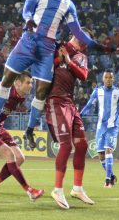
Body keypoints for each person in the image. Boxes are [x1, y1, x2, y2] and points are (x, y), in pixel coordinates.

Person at [0, 0, 110, 135]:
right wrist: (29, 19)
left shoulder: (68, 4)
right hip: (28, 41)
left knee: (41, 91)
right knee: (7, 79)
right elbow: (27, 9)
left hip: (47, 48)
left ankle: (30, 129)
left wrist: (94, 44)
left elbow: (76, 30)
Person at [41, 34, 95, 209]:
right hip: (55, 101)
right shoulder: (58, 47)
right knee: (66, 145)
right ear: (76, 35)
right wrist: (59, 58)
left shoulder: (80, 57)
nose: (84, 44)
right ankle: (57, 190)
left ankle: (77, 188)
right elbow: (44, 66)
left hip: (70, 103)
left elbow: (84, 76)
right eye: (83, 39)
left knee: (82, 145)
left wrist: (68, 61)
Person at [0, 71, 44, 202]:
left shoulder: (22, 97)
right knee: (10, 155)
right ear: (17, 83)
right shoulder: (3, 88)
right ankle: (30, 191)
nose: (31, 86)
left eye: (32, 83)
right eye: (28, 83)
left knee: (20, 158)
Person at [80, 69, 119, 188]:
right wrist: (80, 115)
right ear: (103, 79)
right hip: (100, 128)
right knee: (101, 155)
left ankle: (108, 180)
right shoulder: (97, 92)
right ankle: (112, 175)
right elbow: (89, 105)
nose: (108, 80)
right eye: (106, 77)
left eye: (110, 77)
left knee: (108, 150)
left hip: (112, 127)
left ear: (113, 79)